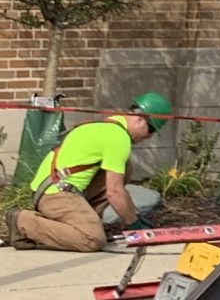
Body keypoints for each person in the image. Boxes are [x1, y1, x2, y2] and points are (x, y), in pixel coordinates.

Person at [11, 95, 171, 251]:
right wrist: (134, 225)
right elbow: (114, 192)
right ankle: (23, 222)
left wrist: (133, 215)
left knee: (124, 167)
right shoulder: (117, 137)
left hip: (55, 188)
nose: (150, 136)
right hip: (55, 194)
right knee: (93, 239)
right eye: (151, 129)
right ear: (139, 118)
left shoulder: (108, 126)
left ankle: (88, 221)